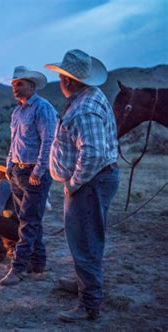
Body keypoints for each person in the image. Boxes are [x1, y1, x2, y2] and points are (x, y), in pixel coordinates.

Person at [45, 49, 119, 322]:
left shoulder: (84, 109)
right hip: (93, 181)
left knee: (84, 240)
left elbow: (93, 153)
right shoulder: (88, 97)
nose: (61, 81)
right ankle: (85, 284)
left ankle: (89, 303)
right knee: (87, 237)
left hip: (89, 183)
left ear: (70, 80)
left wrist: (74, 183)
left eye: (63, 76)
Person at [0, 66, 58, 285]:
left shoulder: (43, 108)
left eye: (20, 84)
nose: (15, 88)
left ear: (31, 86)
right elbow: (14, 142)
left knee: (28, 220)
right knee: (31, 220)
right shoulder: (17, 112)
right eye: (14, 84)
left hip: (34, 172)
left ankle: (18, 268)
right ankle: (38, 262)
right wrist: (9, 164)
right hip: (17, 171)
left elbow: (49, 141)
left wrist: (39, 170)